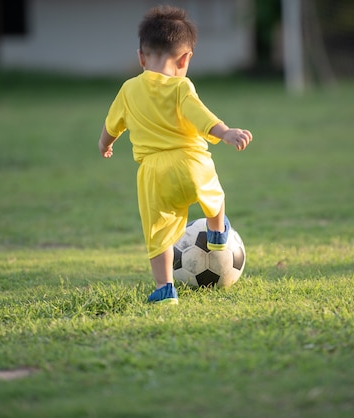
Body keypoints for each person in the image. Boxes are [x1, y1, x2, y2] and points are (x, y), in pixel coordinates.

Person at [98, 5, 253, 305]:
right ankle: (217, 231)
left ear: (141, 57)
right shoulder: (182, 87)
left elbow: (111, 126)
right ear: (185, 59)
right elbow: (201, 116)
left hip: (154, 173)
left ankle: (165, 288)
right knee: (214, 196)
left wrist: (105, 144)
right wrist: (225, 133)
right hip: (191, 163)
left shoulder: (128, 89)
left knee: (158, 234)